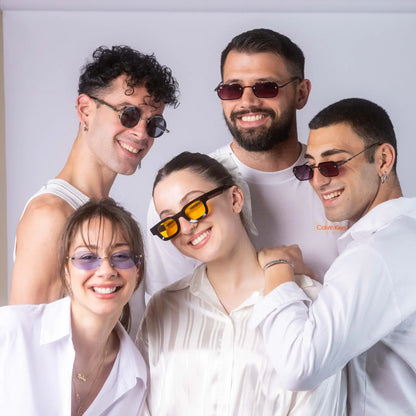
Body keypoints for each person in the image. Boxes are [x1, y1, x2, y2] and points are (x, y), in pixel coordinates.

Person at [138, 151, 346, 416]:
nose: (187, 227)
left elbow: (321, 406)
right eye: (169, 223)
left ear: (235, 199)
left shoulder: (312, 302)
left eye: (194, 207)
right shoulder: (162, 307)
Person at [145, 28, 346, 296]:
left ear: (301, 93)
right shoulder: (183, 195)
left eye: (266, 87)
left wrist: (298, 276)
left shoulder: (340, 180)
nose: (247, 102)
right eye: (232, 89)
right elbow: (169, 308)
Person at [251, 98, 416, 415]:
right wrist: (312, 279)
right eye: (309, 167)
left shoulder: (376, 252)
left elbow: (299, 366)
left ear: (383, 160)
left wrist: (277, 271)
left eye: (332, 164)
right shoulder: (402, 236)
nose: (318, 180)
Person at [10, 45, 178, 335]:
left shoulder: (110, 214)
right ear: (85, 110)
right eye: (128, 114)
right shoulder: (52, 216)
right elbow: (22, 347)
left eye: (153, 124)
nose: (141, 133)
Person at [0, 198, 147, 415]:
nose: (106, 270)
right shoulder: (11, 330)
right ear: (66, 271)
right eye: (87, 257)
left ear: (138, 270)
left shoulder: (136, 379)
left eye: (121, 256)